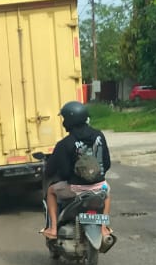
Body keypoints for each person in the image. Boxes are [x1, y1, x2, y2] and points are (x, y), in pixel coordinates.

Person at [41, 101, 112, 241]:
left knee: (50, 191)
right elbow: (107, 163)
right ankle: (103, 227)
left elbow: (59, 172)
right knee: (107, 192)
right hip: (99, 187)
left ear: (69, 121)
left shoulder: (65, 143)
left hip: (75, 189)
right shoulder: (99, 135)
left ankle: (53, 228)